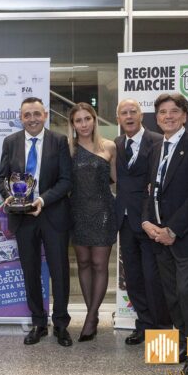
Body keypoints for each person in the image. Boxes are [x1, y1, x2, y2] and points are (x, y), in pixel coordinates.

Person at [141, 93, 188, 375]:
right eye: (162, 112)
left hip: (186, 236)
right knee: (171, 294)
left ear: (184, 116)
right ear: (156, 118)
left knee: (185, 292)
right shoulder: (156, 147)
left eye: (174, 111)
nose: (168, 116)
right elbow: (150, 190)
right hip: (158, 237)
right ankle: (182, 344)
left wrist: (172, 230)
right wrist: (146, 222)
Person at [0, 97, 73, 347]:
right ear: (21, 118)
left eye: (37, 114)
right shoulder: (10, 142)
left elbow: (66, 180)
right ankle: (38, 322)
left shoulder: (59, 141)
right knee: (30, 271)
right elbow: (2, 178)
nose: (32, 119)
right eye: (27, 115)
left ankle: (61, 324)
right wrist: (10, 197)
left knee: (59, 271)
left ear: (45, 115)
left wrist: (42, 200)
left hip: (53, 215)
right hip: (22, 218)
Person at [114, 99, 171, 346]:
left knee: (153, 280)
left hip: (151, 223)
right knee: (134, 279)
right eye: (124, 113)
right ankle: (144, 325)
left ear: (141, 115)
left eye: (133, 112)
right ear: (118, 119)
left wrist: (149, 218)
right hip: (125, 222)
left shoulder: (158, 141)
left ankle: (162, 336)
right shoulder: (117, 144)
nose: (128, 116)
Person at [67, 102, 117, 342]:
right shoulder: (68, 149)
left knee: (99, 263)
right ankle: (92, 314)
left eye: (87, 118)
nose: (84, 124)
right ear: (73, 124)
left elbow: (117, 179)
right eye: (78, 120)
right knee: (84, 263)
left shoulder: (109, 146)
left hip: (103, 212)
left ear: (95, 120)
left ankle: (90, 317)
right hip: (77, 212)